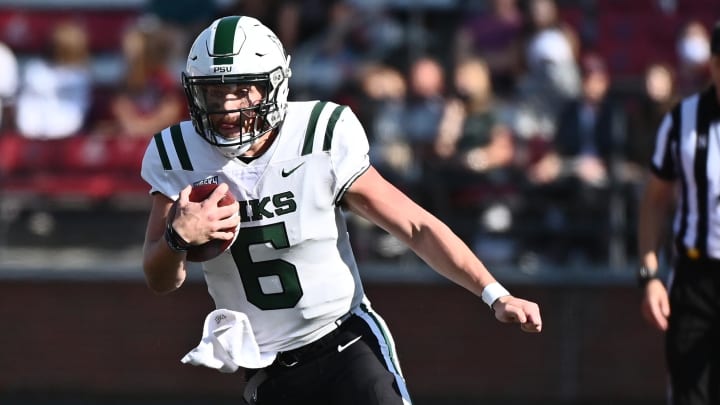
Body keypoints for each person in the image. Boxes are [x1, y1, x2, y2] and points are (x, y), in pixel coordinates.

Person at [140, 16, 542, 405]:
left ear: (274, 86)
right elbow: (160, 280)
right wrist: (177, 239)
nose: (227, 107)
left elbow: (415, 226)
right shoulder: (177, 154)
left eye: (242, 89)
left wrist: (494, 294)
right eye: (213, 91)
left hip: (346, 343)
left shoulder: (320, 135)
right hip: (267, 366)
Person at [637, 20, 720, 405]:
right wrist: (651, 273)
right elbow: (655, 200)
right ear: (714, 66)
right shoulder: (681, 122)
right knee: (690, 393)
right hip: (694, 277)